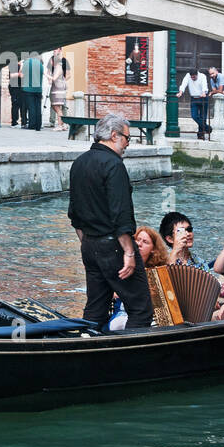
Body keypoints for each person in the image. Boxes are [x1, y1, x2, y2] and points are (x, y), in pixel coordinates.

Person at [68, 114, 153, 330]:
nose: (127, 144)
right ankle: (129, 360)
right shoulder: (114, 165)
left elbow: (74, 214)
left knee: (95, 308)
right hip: (114, 247)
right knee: (140, 309)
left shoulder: (79, 163)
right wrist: (129, 252)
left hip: (88, 244)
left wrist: (88, 243)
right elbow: (121, 214)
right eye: (127, 138)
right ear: (114, 135)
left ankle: (87, 352)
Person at [179, 67, 211, 140]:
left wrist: (203, 92)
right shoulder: (188, 76)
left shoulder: (202, 76)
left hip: (202, 98)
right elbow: (184, 84)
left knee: (203, 117)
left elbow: (204, 85)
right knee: (194, 116)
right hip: (194, 98)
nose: (192, 78)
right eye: (191, 77)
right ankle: (207, 128)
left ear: (197, 74)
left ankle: (201, 134)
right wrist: (181, 92)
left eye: (194, 77)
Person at [47, 49, 68, 131]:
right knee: (55, 106)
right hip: (55, 88)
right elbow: (50, 73)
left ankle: (61, 124)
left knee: (58, 107)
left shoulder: (59, 66)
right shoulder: (56, 67)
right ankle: (62, 124)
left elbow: (54, 78)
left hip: (58, 89)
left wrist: (45, 74)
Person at [21, 54, 44, 131]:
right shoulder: (40, 64)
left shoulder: (26, 62)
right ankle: (38, 125)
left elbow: (22, 75)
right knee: (38, 107)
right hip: (38, 89)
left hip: (28, 89)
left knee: (31, 107)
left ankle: (32, 125)